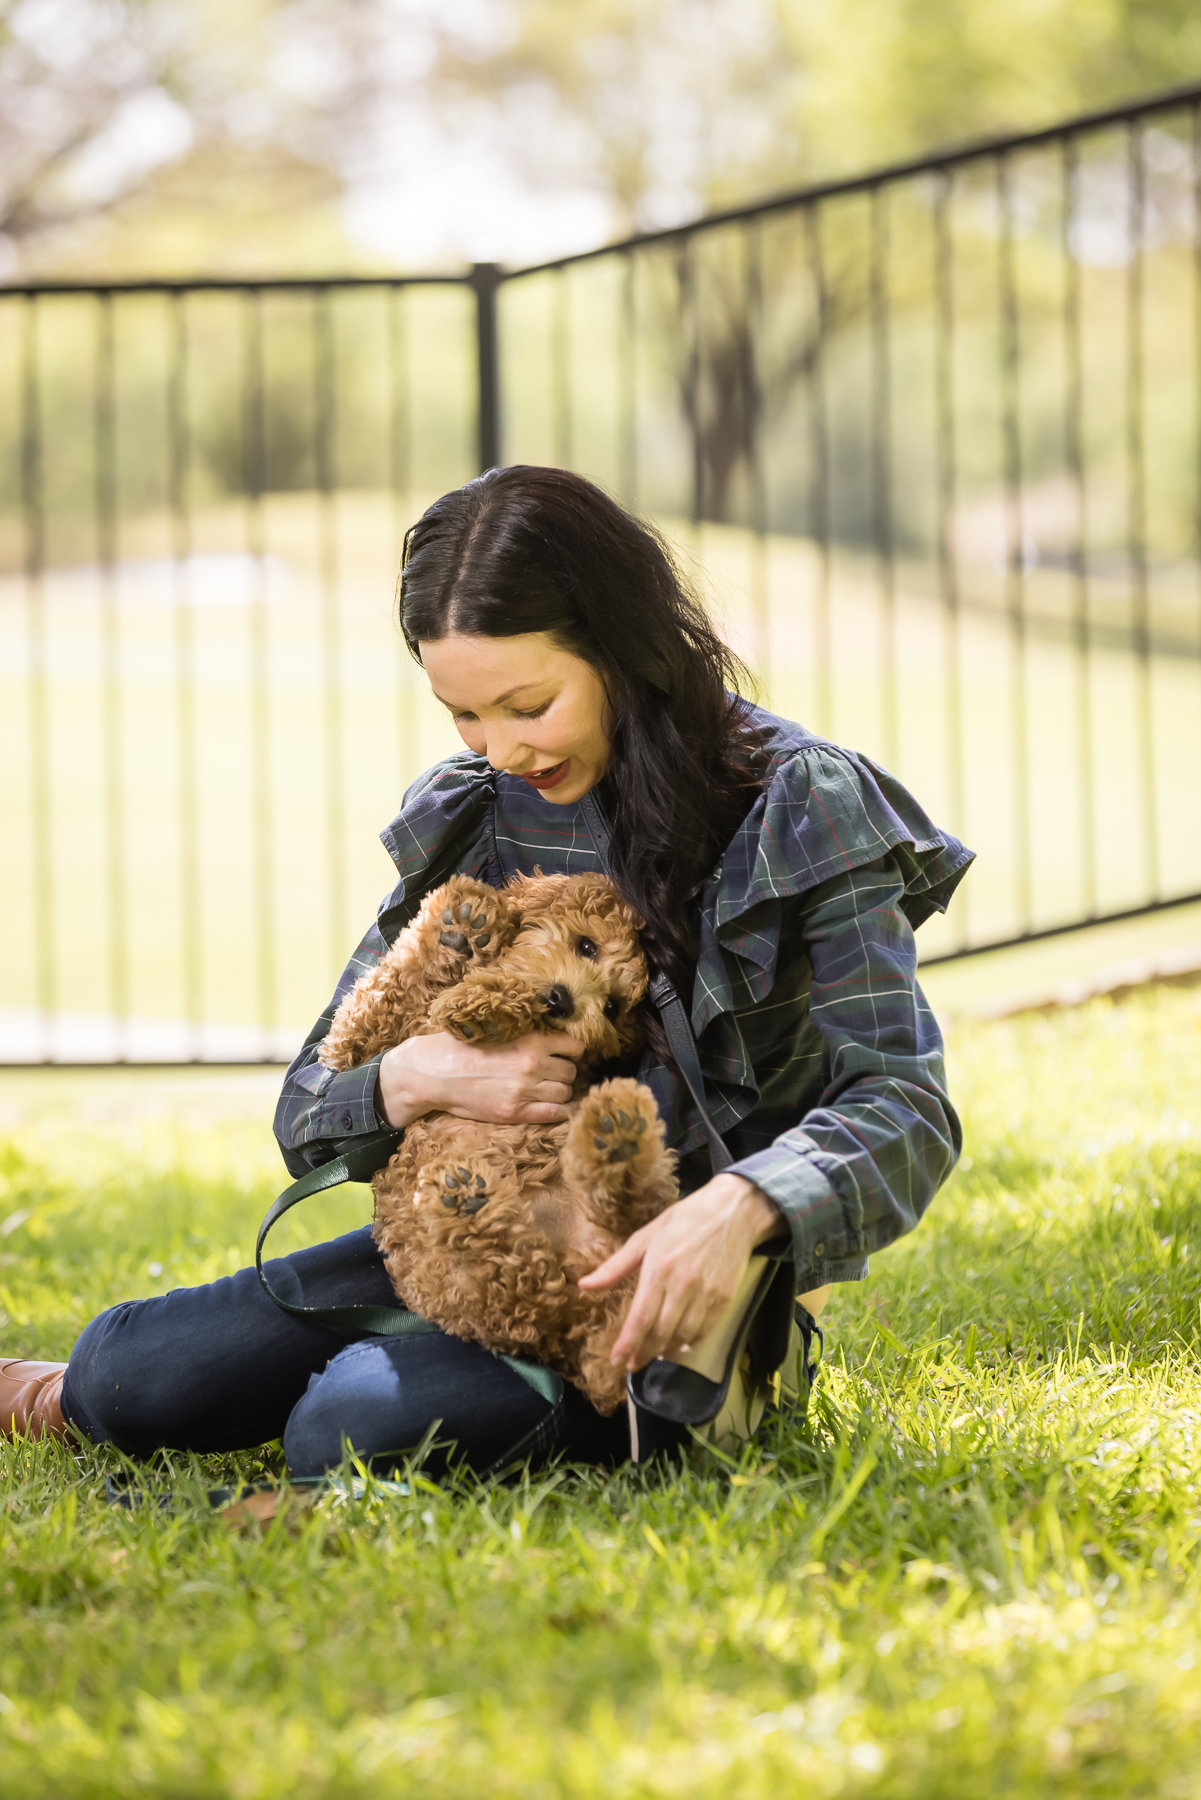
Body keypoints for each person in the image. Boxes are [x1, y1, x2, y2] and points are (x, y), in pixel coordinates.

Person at [2, 466, 972, 1475]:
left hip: (678, 1298)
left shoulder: (797, 801)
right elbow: (308, 1104)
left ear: (618, 646)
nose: (501, 747)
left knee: (351, 1427)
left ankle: (375, 1389)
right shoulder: (475, 812)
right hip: (481, 1232)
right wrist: (420, 1078)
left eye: (528, 703)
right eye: (464, 714)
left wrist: (743, 1205)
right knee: (126, 1374)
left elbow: (904, 1102)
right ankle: (83, 1391)